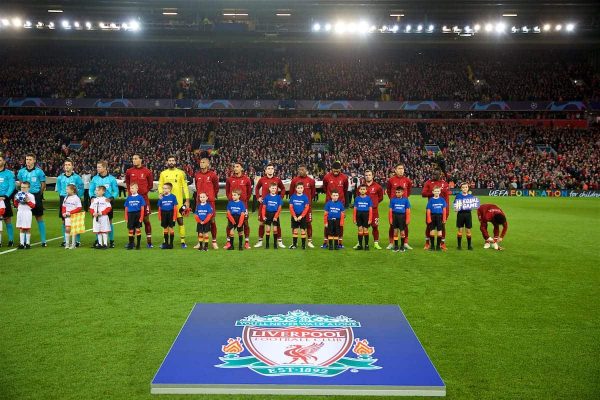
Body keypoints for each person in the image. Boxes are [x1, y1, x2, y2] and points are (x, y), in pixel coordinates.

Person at [158, 156, 191, 248]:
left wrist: (187, 200)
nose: (171, 162)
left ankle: (183, 241)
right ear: (167, 162)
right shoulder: (163, 173)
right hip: (166, 203)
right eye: (170, 160)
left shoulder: (181, 173)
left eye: (173, 160)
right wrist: (161, 193)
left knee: (180, 220)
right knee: (166, 223)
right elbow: (160, 185)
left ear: (176, 162)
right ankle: (165, 241)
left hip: (179, 203)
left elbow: (185, 186)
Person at [17, 154, 47, 247]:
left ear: (34, 160)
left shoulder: (39, 172)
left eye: (30, 159)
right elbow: (21, 183)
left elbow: (43, 184)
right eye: (27, 159)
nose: (28, 161)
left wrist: (39, 194)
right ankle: (25, 242)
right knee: (24, 219)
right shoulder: (21, 171)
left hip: (36, 196)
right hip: (25, 196)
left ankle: (43, 241)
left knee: (39, 217)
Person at [254, 164, 286, 249]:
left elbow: (283, 189)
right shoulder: (262, 179)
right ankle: (260, 241)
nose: (271, 170)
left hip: (274, 206)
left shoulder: (277, 180)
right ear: (266, 170)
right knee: (262, 223)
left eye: (272, 168)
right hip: (264, 206)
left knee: (277, 224)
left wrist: (280, 197)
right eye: (269, 168)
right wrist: (258, 197)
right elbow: (256, 188)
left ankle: (279, 241)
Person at [125, 154, 154, 248]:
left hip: (143, 199)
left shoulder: (147, 172)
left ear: (141, 160)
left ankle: (149, 241)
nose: (133, 160)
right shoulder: (129, 171)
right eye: (133, 159)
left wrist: (143, 192)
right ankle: (132, 242)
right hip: (132, 200)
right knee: (132, 221)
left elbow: (150, 185)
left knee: (146, 220)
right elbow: (128, 184)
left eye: (136, 159)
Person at [89, 160, 119, 248]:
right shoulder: (94, 178)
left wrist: (111, 198)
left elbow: (116, 191)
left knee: (109, 222)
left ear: (105, 168)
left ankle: (111, 240)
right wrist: (92, 197)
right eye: (97, 167)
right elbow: (91, 190)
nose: (97, 169)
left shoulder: (111, 179)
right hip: (97, 203)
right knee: (96, 221)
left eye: (99, 167)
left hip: (107, 203)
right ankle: (98, 241)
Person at [56, 158, 84, 247]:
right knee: (64, 220)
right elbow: (59, 188)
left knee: (75, 221)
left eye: (69, 165)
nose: (67, 166)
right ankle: (65, 240)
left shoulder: (77, 177)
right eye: (65, 165)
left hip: (74, 201)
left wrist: (77, 197)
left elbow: (81, 188)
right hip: (64, 199)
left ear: (72, 166)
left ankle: (77, 241)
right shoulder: (60, 177)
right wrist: (62, 195)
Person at [321, 161, 349, 248]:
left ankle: (339, 243)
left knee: (340, 224)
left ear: (340, 169)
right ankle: (326, 242)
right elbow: (325, 188)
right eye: (334, 170)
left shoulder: (344, 177)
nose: (336, 171)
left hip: (340, 204)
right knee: (327, 224)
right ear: (332, 169)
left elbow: (345, 189)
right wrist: (330, 197)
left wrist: (341, 201)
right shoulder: (326, 177)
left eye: (338, 170)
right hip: (329, 203)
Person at [193, 158, 219, 249]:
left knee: (212, 221)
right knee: (199, 221)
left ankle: (214, 241)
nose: (201, 164)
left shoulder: (212, 175)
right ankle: (200, 242)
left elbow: (216, 187)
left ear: (208, 164)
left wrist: (211, 196)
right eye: (200, 162)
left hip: (210, 201)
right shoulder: (197, 175)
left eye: (203, 162)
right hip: (199, 201)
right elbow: (196, 186)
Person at [422, 168, 450, 250]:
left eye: (435, 174)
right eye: (433, 174)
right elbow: (423, 193)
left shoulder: (445, 184)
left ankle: (442, 243)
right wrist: (434, 192)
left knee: (442, 226)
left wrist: (446, 210)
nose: (433, 175)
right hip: (432, 209)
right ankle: (427, 243)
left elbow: (447, 197)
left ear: (440, 174)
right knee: (429, 226)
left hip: (442, 209)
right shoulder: (428, 182)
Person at [225, 162, 252, 249]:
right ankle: (228, 242)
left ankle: (246, 242)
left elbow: (249, 193)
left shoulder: (246, 179)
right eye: (234, 167)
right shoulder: (229, 179)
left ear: (241, 168)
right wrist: (231, 199)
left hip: (243, 205)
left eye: (237, 166)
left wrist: (244, 201)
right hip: (232, 205)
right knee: (229, 224)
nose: (235, 168)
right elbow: (227, 192)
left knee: (245, 224)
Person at [386, 164, 413, 250]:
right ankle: (391, 242)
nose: (401, 170)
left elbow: (408, 192)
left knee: (405, 225)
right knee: (392, 225)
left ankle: (405, 243)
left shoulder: (407, 180)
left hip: (404, 206)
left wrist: (403, 200)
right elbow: (389, 191)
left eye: (402, 168)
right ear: (395, 170)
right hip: (394, 206)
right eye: (399, 168)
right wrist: (393, 200)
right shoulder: (391, 180)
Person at [289, 165, 316, 248]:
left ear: (306, 170)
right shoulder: (294, 180)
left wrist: (307, 202)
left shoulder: (311, 181)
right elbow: (291, 193)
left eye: (302, 169)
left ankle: (309, 241)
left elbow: (313, 193)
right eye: (299, 169)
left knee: (308, 223)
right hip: (296, 207)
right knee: (295, 224)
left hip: (307, 207)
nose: (301, 171)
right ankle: (295, 242)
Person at [359, 169, 384, 249]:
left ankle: (376, 242)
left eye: (369, 175)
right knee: (362, 227)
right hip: (363, 210)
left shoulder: (378, 187)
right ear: (364, 176)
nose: (368, 176)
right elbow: (358, 197)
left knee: (375, 227)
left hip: (374, 211)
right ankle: (360, 243)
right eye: (366, 175)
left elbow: (380, 198)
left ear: (372, 176)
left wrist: (374, 204)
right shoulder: (361, 187)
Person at [453, 182, 479, 250]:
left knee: (468, 231)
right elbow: (455, 206)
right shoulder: (458, 196)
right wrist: (456, 208)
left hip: (468, 214)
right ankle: (459, 246)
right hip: (460, 214)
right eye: (463, 187)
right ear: (461, 188)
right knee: (460, 230)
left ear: (468, 188)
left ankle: (469, 246)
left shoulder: (471, 196)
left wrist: (475, 206)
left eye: (466, 187)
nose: (465, 188)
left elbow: (475, 205)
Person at [124, 183, 146, 250]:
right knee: (130, 230)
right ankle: (131, 244)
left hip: (137, 214)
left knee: (137, 229)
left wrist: (141, 217)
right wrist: (126, 217)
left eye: (133, 188)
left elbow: (142, 208)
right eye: (130, 188)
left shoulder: (140, 197)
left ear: (137, 188)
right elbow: (126, 208)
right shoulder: (129, 198)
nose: (131, 190)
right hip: (130, 215)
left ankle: (138, 245)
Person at [389, 187, 411, 252]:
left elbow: (408, 210)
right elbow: (390, 210)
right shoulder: (393, 200)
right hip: (395, 216)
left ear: (402, 192)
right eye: (396, 192)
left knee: (402, 231)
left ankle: (402, 246)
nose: (397, 193)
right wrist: (390, 219)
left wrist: (408, 219)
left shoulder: (406, 200)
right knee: (395, 231)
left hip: (402, 217)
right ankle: (396, 246)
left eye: (399, 192)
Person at [0, 153, 16, 246]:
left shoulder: (9, 173)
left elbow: (12, 186)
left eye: (0, 160)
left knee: (7, 220)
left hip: (4, 199)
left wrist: (6, 196)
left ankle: (11, 240)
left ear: (4, 161)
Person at [89, 185, 112, 250]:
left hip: (103, 217)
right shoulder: (94, 200)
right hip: (96, 217)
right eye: (96, 190)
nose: (96, 191)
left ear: (103, 191)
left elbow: (109, 208)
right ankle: (100, 244)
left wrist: (102, 213)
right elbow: (91, 208)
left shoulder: (105, 200)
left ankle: (105, 244)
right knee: (98, 231)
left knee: (104, 231)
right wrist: (93, 213)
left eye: (98, 190)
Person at [61, 183, 83, 250]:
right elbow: (64, 206)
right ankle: (67, 244)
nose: (66, 190)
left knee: (73, 230)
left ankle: (73, 245)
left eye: (67, 189)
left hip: (74, 216)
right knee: (67, 229)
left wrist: (70, 213)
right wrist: (63, 213)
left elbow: (79, 208)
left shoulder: (76, 198)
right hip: (67, 216)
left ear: (72, 190)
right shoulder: (66, 197)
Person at [261, 183, 283, 250]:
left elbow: (279, 208)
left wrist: (276, 216)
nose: (274, 189)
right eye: (272, 188)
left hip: (275, 214)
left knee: (275, 230)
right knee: (267, 229)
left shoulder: (278, 197)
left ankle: (275, 244)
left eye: (275, 188)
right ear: (269, 189)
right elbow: (264, 208)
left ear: (276, 189)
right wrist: (263, 216)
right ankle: (267, 244)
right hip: (268, 214)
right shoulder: (267, 197)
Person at [157, 183, 178, 250]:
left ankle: (171, 244)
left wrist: (174, 217)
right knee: (165, 228)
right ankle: (166, 243)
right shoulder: (161, 197)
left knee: (171, 228)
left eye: (165, 188)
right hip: (164, 214)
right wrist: (160, 199)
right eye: (163, 188)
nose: (164, 190)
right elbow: (159, 207)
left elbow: (175, 208)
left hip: (171, 214)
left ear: (169, 189)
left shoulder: (173, 196)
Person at [14, 181, 36, 249]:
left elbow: (33, 206)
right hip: (20, 212)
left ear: (28, 188)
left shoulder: (31, 196)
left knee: (27, 228)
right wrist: (16, 200)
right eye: (21, 187)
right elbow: (16, 205)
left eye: (24, 187)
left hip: (27, 212)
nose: (22, 189)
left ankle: (28, 243)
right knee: (21, 228)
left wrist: (28, 201)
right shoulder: (18, 194)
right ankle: (21, 244)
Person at [289, 182, 310, 250]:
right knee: (295, 230)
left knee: (303, 230)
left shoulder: (305, 197)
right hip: (294, 216)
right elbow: (291, 207)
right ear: (296, 189)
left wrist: (301, 216)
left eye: (301, 188)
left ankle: (303, 245)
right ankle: (294, 244)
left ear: (303, 189)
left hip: (302, 216)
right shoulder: (292, 197)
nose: (300, 189)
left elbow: (306, 208)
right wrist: (294, 216)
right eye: (298, 188)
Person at [426, 187, 448, 251]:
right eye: (435, 191)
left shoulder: (442, 200)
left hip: (440, 217)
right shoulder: (431, 200)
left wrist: (444, 218)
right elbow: (428, 210)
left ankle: (438, 247)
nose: (437, 192)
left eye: (438, 191)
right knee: (432, 231)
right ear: (433, 192)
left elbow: (444, 210)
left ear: (440, 192)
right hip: (433, 216)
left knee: (440, 232)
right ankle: (432, 246)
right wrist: (429, 219)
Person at [353, 184, 373, 250]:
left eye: (364, 189)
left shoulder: (368, 198)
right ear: (359, 190)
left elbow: (370, 209)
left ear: (366, 190)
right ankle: (360, 245)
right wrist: (354, 218)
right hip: (359, 215)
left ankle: (366, 245)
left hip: (366, 215)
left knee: (365, 230)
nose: (362, 190)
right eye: (361, 189)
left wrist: (370, 219)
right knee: (360, 229)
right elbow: (355, 208)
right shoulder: (357, 198)